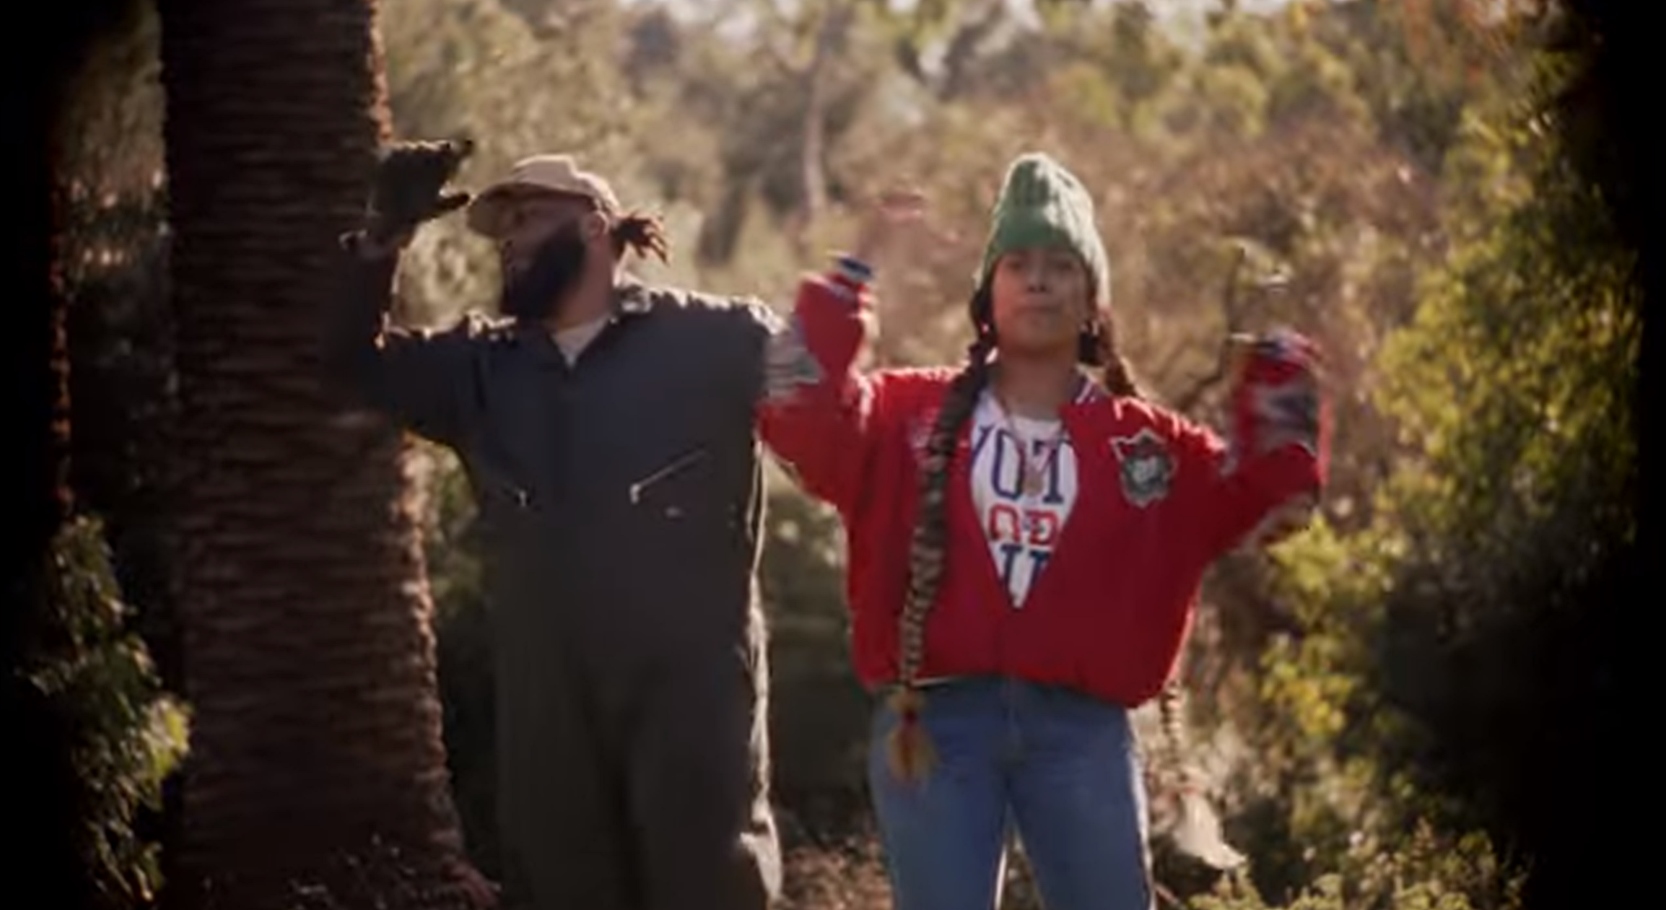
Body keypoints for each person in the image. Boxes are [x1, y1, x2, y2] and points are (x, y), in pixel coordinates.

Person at [757, 151, 1329, 910]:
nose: (1037, 280)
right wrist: (852, 274)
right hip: (932, 725)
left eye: (1060, 265)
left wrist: (1280, 381)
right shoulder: (906, 415)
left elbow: (1272, 504)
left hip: (1083, 732)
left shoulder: (1147, 447)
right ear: (987, 295)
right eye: (1018, 263)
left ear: (1093, 300)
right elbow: (794, 413)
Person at [323, 140, 815, 910]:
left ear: (593, 226)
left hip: (690, 694)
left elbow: (830, 405)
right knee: (563, 887)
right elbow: (351, 362)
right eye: (502, 228)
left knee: (709, 885)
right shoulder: (480, 368)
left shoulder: (717, 339)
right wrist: (383, 239)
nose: (508, 240)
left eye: (527, 218)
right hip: (548, 699)